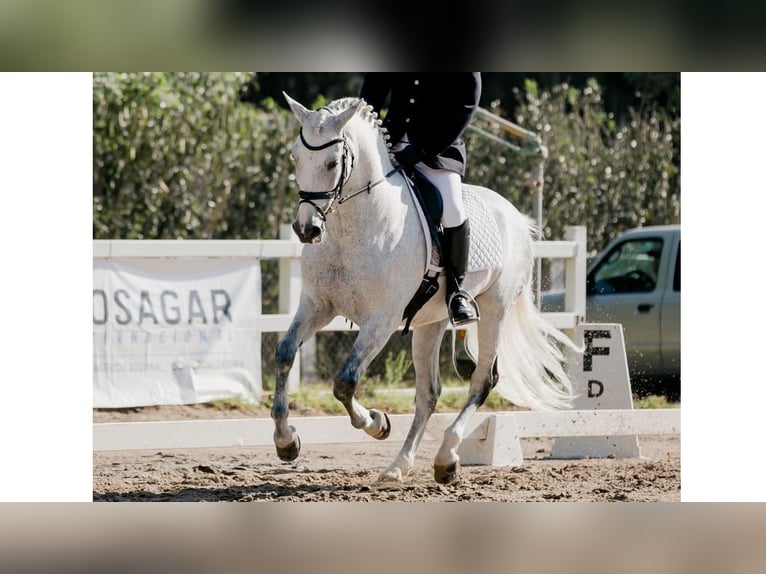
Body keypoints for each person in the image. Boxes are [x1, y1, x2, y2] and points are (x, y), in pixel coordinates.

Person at [360, 72, 482, 326]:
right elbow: (372, 92)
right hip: (387, 143)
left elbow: (466, 105)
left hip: (436, 150)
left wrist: (424, 149)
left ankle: (456, 294)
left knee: (452, 210)